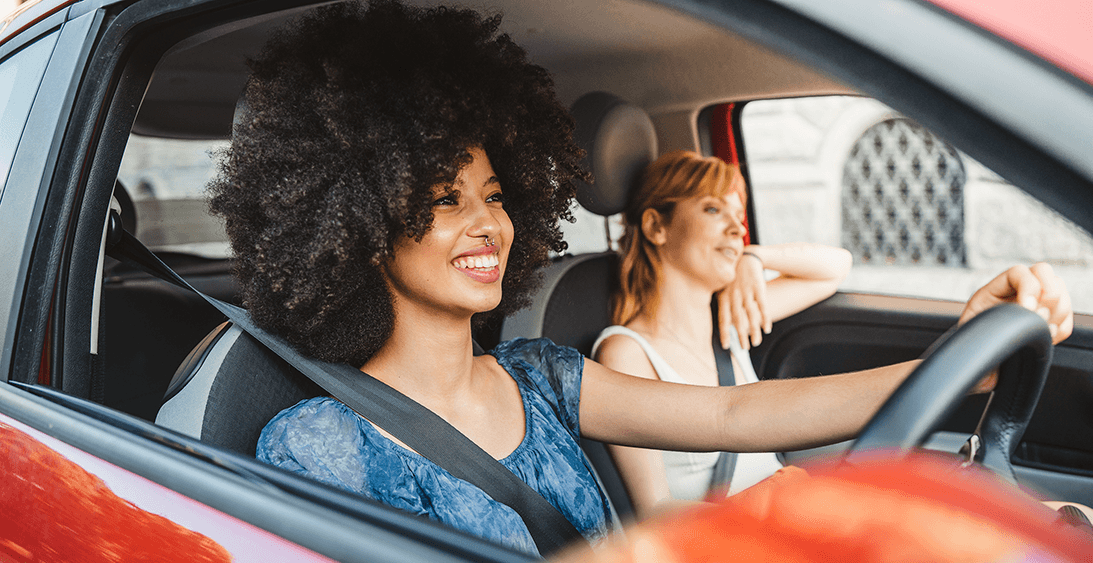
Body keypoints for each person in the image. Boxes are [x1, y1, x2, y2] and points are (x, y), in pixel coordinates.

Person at [207, 0, 1075, 557]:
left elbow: (735, 413)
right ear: (356, 224)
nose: (489, 225)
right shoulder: (317, 442)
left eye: (496, 193)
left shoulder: (543, 377)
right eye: (442, 199)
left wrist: (967, 361)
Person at [592, 150, 853, 517]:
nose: (737, 228)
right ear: (656, 227)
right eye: (714, 210)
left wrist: (756, 257)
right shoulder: (627, 352)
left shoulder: (729, 319)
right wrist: (765, 511)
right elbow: (654, 512)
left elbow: (836, 267)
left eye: (738, 215)